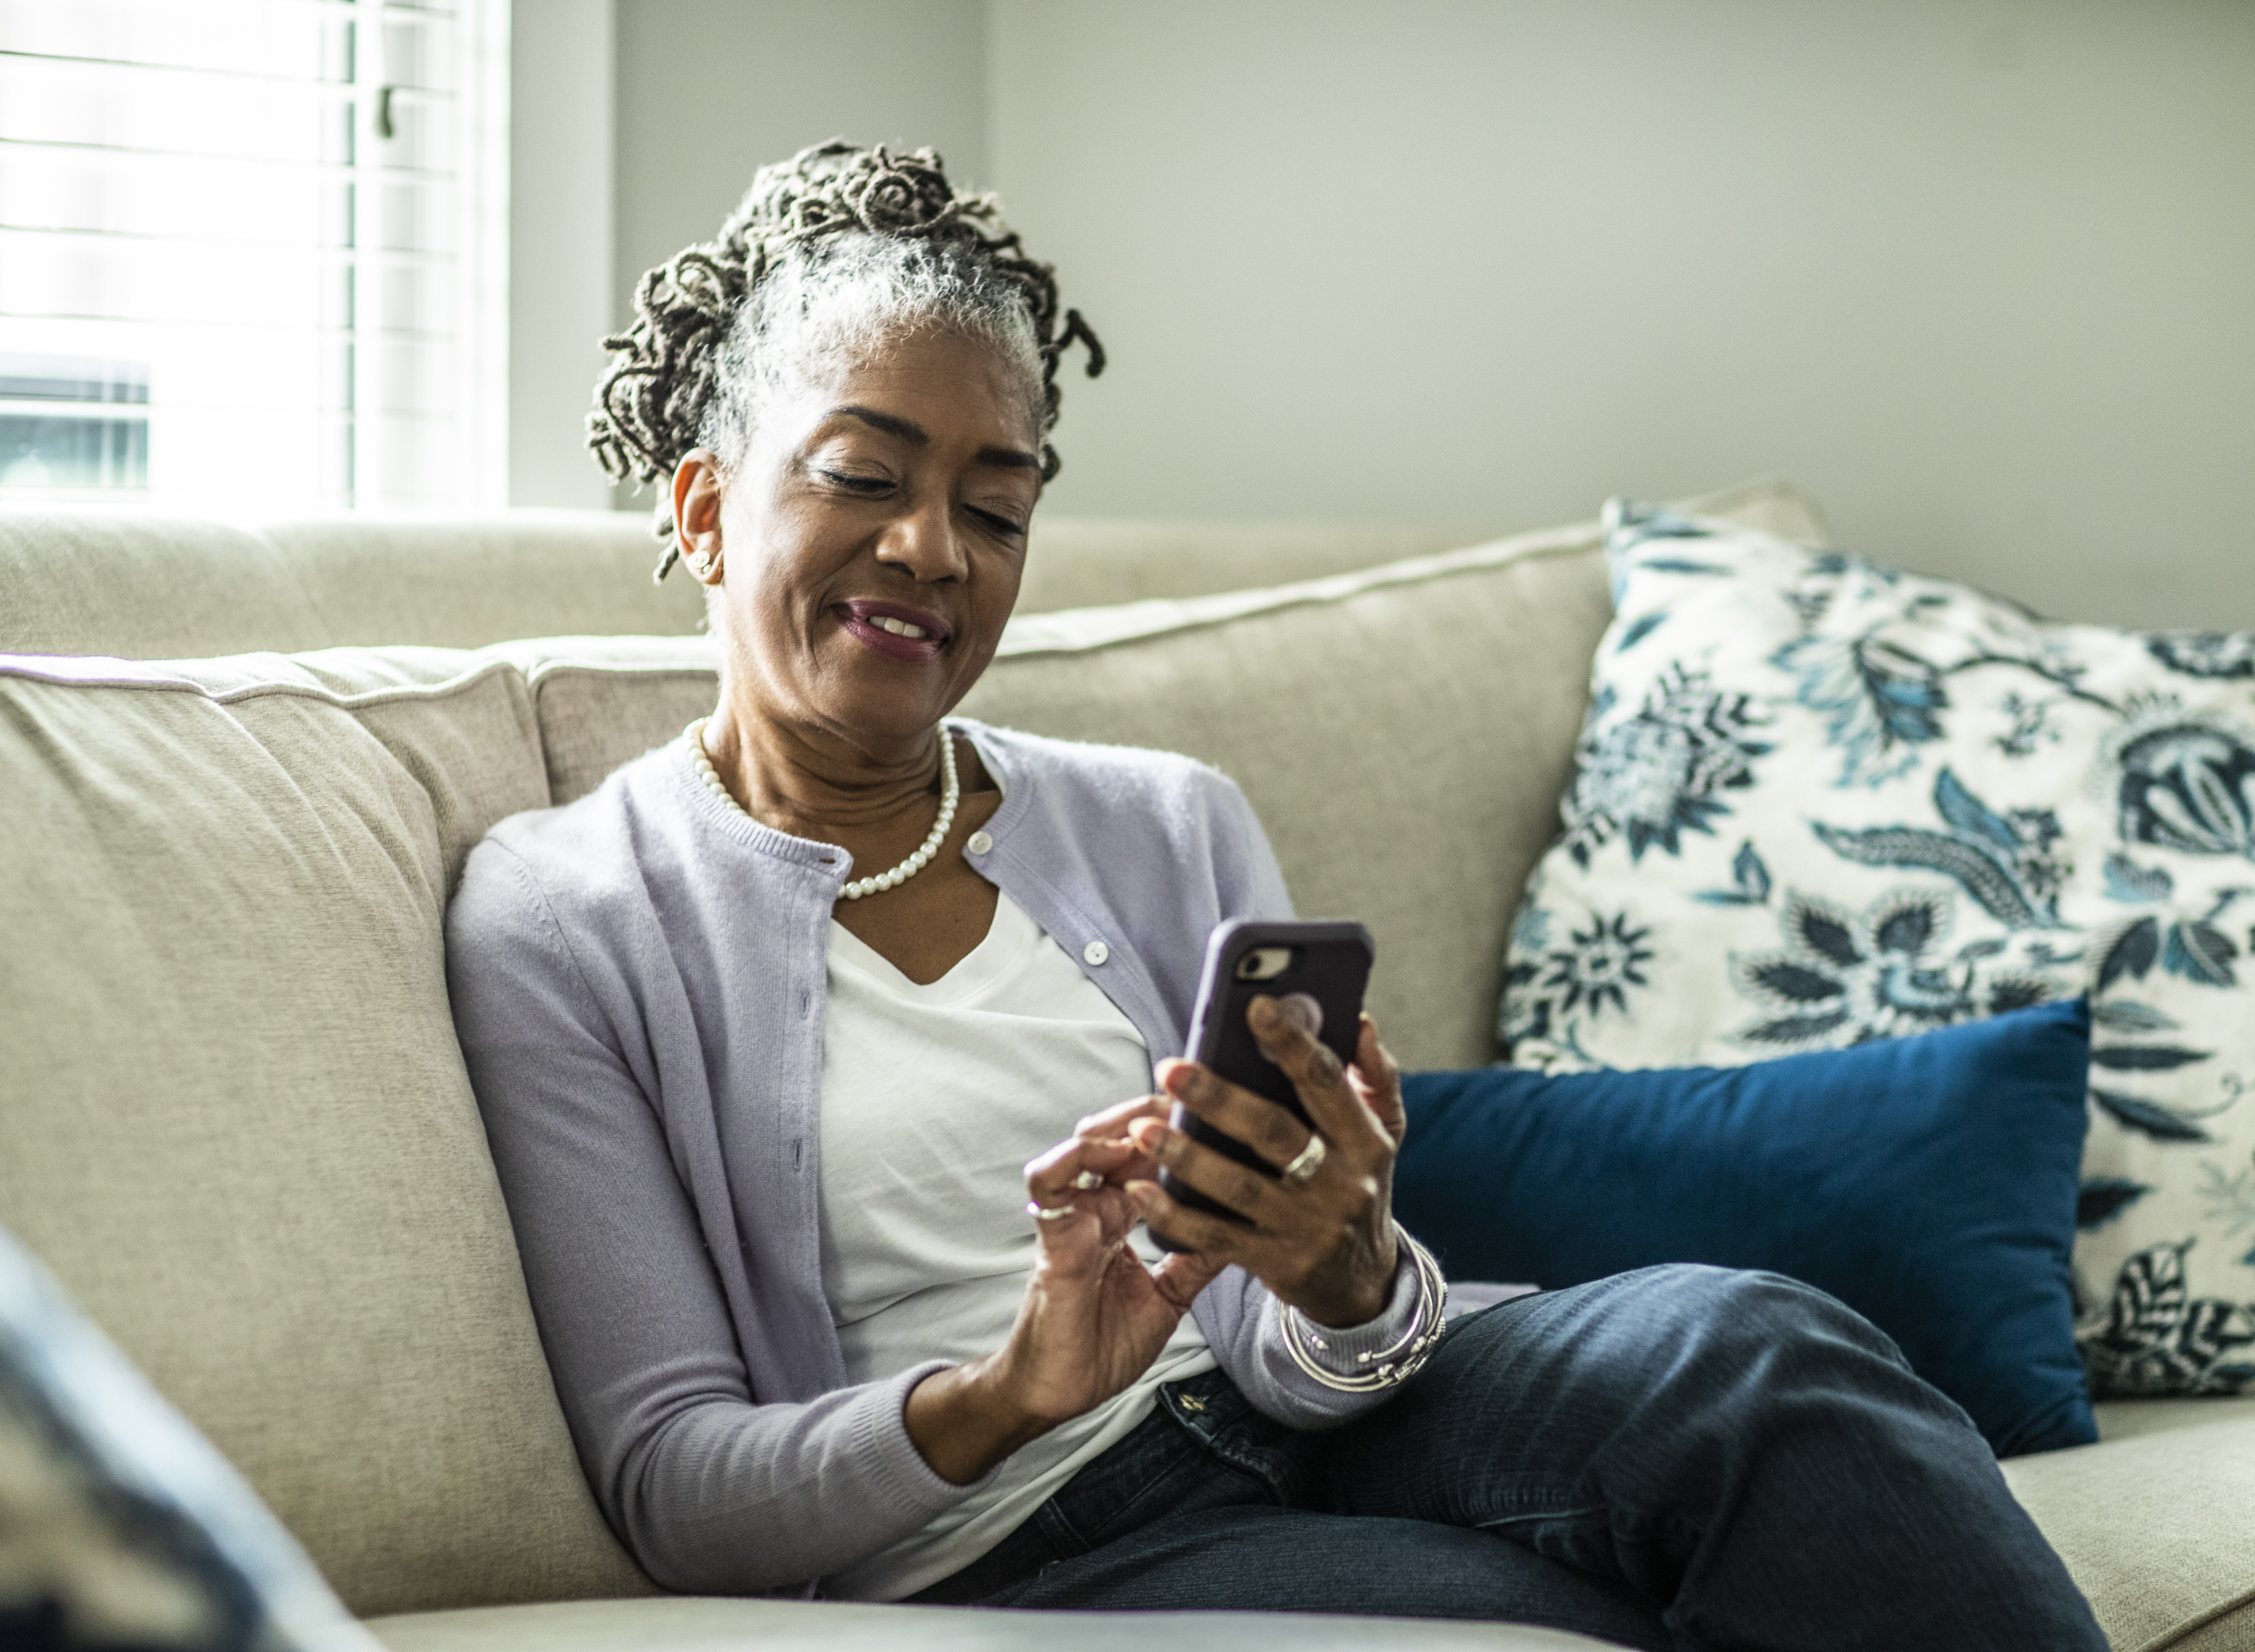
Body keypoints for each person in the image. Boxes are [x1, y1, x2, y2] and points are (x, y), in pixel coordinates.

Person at [444, 141, 2107, 1650]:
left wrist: (1350, 1272)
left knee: (1753, 1353)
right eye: (866, 479)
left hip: (1344, 1416)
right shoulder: (568, 914)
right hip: (1041, 1541)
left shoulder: (1168, 823)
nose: (936, 551)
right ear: (710, 504)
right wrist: (1016, 1387)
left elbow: (1315, 1356)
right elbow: (675, 1480)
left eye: (996, 505)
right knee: (1577, 1626)